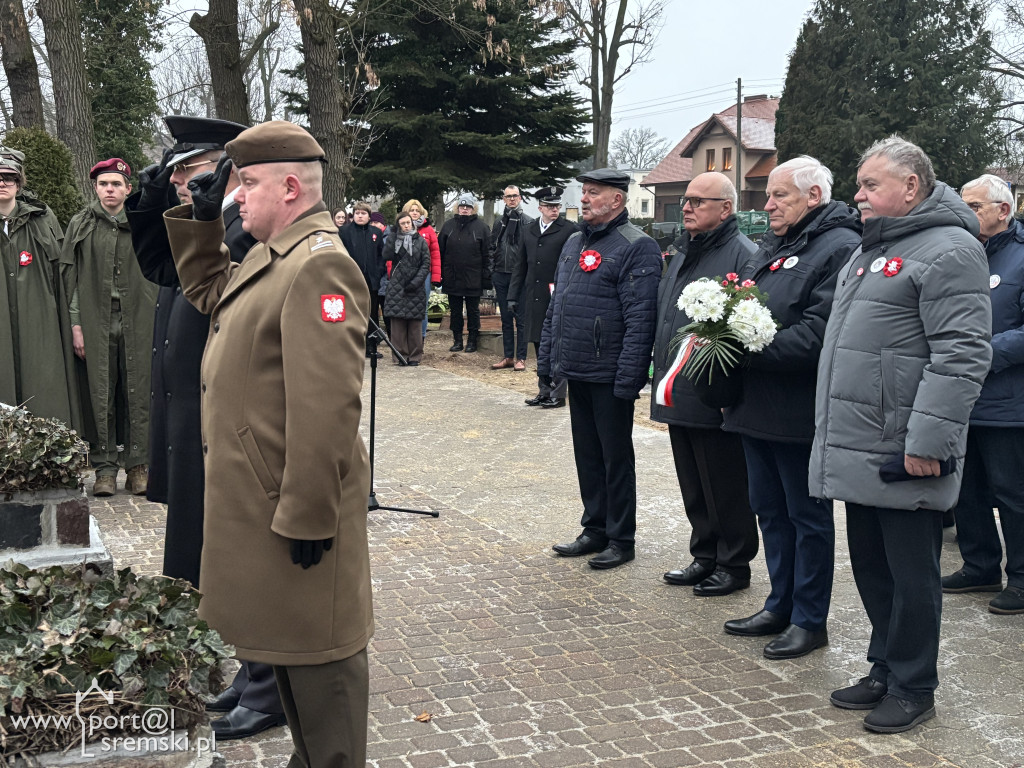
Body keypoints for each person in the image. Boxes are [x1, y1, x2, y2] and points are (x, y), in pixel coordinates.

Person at [164, 121, 373, 767]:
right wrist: (198, 225)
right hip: (267, 509)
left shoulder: (320, 267)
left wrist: (309, 513)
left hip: (295, 518)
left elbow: (328, 407)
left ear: (289, 187)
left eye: (245, 184)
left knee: (324, 683)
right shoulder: (272, 255)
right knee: (290, 662)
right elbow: (209, 296)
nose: (236, 198)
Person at [810, 136, 991, 733]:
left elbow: (961, 356)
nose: (856, 195)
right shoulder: (871, 249)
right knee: (871, 566)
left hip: (904, 449)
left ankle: (915, 686)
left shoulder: (951, 251)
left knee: (913, 576)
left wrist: (927, 444)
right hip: (863, 443)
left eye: (869, 185)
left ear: (910, 186)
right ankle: (884, 666)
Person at [127, 116, 284, 742]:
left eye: (194, 176)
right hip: (194, 407)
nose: (183, 188)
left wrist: (208, 207)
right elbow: (162, 267)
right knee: (212, 544)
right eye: (177, 178)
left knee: (242, 544)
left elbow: (215, 280)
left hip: (234, 414)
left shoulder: (249, 224)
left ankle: (268, 679)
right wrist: (147, 206)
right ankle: (251, 669)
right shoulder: (209, 217)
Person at [720, 156, 861, 657]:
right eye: (768, 195)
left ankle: (808, 618)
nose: (768, 204)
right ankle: (779, 603)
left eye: (780, 195)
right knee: (770, 512)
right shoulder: (773, 245)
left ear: (813, 198)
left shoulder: (840, 246)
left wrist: (744, 347)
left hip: (798, 411)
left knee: (806, 517)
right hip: (755, 405)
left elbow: (820, 333)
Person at [540, 168, 662, 569]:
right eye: (584, 192)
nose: (586, 199)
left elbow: (640, 319)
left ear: (617, 200)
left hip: (610, 373)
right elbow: (557, 306)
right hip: (577, 368)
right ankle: (593, 529)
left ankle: (620, 538)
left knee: (615, 459)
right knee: (587, 456)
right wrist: (549, 361)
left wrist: (629, 379)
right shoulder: (575, 242)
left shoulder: (636, 247)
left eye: (594, 193)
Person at [649, 172, 759, 596]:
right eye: (686, 201)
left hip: (713, 390)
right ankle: (705, 553)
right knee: (692, 478)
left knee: (725, 482)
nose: (687, 207)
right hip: (679, 385)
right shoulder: (683, 251)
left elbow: (744, 328)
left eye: (698, 200)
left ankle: (734, 563)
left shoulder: (742, 255)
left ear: (725, 208)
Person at [940, 174, 1024, 615]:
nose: (965, 212)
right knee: (965, 487)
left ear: (1003, 210)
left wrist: (982, 354)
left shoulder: (1021, 258)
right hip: (960, 397)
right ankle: (979, 564)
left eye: (974, 206)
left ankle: (1023, 578)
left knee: (1012, 493)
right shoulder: (958, 254)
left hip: (1007, 400)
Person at [62, 159, 157, 497]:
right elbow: (70, 278)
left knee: (137, 388)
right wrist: (76, 324)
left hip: (139, 317)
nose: (110, 190)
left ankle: (138, 465)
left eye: (116, 184)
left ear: (128, 188)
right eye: (104, 184)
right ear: (96, 188)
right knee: (101, 390)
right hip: (95, 317)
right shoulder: (81, 224)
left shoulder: (144, 223)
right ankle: (104, 468)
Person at [0, 154, 79, 428]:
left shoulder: (42, 219)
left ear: (19, 183)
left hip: (40, 319)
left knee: (43, 385)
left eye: (9, 177)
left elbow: (62, 271)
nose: (3, 183)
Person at [509, 186, 577, 408]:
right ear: (540, 208)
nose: (554, 210)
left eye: (557, 206)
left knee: (557, 344)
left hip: (558, 294)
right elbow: (520, 265)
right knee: (540, 344)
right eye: (549, 206)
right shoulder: (528, 229)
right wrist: (512, 295)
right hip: (534, 296)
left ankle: (558, 393)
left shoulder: (569, 230)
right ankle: (544, 390)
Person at [438, 193, 491, 353]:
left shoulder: (482, 227)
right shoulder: (448, 226)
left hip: (473, 276)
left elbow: (487, 254)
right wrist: (441, 274)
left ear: (473, 209)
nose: (465, 210)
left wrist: (486, 276)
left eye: (468, 207)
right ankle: (457, 340)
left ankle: (472, 341)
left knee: (473, 310)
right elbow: (440, 252)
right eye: (462, 207)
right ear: (457, 208)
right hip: (452, 275)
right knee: (455, 311)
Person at [489, 185, 533, 371]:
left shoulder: (528, 222)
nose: (512, 199)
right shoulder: (500, 223)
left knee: (521, 319)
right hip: (500, 274)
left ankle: (521, 358)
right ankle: (508, 356)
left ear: (520, 198)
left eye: (515, 196)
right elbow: (492, 247)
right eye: (509, 196)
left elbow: (531, 251)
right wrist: (492, 269)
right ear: (504, 199)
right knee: (505, 319)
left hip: (519, 277)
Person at [383, 212, 431, 366]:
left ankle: (415, 356)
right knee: (397, 325)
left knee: (414, 324)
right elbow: (386, 255)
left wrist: (416, 282)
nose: (406, 225)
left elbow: (425, 263)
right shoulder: (394, 239)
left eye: (408, 222)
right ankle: (399, 355)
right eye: (402, 223)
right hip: (397, 286)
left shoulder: (420, 241)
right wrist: (392, 236)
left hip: (415, 286)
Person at [340, 201, 386, 354]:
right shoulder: (344, 231)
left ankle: (371, 347)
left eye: (363, 213)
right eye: (357, 213)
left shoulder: (376, 232)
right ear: (353, 215)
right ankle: (351, 346)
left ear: (368, 216)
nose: (360, 216)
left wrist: (378, 272)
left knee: (372, 313)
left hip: (371, 281)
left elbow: (381, 256)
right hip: (351, 280)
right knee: (352, 312)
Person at [402, 199, 441, 337]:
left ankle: (421, 337)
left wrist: (436, 276)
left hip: (424, 273)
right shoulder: (400, 228)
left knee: (422, 307)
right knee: (405, 306)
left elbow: (435, 254)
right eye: (411, 210)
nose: (414, 213)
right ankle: (406, 338)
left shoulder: (428, 230)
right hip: (405, 273)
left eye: (417, 210)